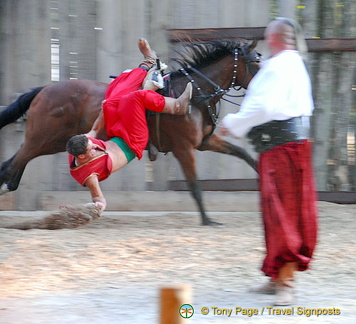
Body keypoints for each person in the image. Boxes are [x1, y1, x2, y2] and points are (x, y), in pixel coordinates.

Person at [220, 18, 318, 306]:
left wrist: (234, 122)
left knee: (283, 213)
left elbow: (265, 107)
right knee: (276, 213)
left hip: (283, 150)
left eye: (267, 38)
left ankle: (286, 281)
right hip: (283, 147)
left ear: (273, 38)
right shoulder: (291, 64)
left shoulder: (279, 66)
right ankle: (277, 276)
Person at [67, 39, 192, 212]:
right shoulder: (89, 176)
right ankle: (176, 106)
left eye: (92, 145)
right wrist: (97, 206)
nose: (95, 147)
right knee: (134, 98)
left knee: (112, 101)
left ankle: (148, 62)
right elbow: (98, 198)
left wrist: (105, 108)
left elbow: (95, 129)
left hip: (116, 133)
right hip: (133, 142)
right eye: (92, 150)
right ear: (82, 158)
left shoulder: (80, 145)